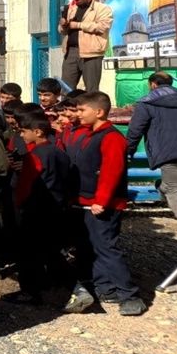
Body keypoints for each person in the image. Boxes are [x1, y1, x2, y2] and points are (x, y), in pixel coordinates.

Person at [67, 92, 146, 315]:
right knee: (89, 247)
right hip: (85, 202)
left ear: (99, 112)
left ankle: (129, 295)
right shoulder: (89, 135)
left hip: (103, 205)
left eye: (82, 110)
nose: (78, 114)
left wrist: (101, 201)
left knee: (107, 248)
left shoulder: (111, 137)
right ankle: (105, 288)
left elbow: (111, 172)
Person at [8, 109, 71, 305]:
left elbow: (25, 185)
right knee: (51, 249)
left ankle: (30, 291)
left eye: (24, 131)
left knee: (28, 253)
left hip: (35, 209)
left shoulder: (33, 155)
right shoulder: (58, 151)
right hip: (56, 207)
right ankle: (60, 285)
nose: (21, 135)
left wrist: (18, 204)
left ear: (38, 132)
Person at [124, 72, 177, 234]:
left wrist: (128, 152)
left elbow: (135, 131)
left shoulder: (147, 103)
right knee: (171, 185)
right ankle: (162, 187)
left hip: (169, 153)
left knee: (175, 190)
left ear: (153, 84)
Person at [59, 0, 113, 93]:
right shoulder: (71, 9)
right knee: (66, 90)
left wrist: (78, 25)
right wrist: (63, 25)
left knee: (91, 91)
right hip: (71, 52)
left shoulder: (102, 9)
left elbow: (103, 27)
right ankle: (67, 110)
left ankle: (90, 110)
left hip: (91, 53)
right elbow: (62, 31)